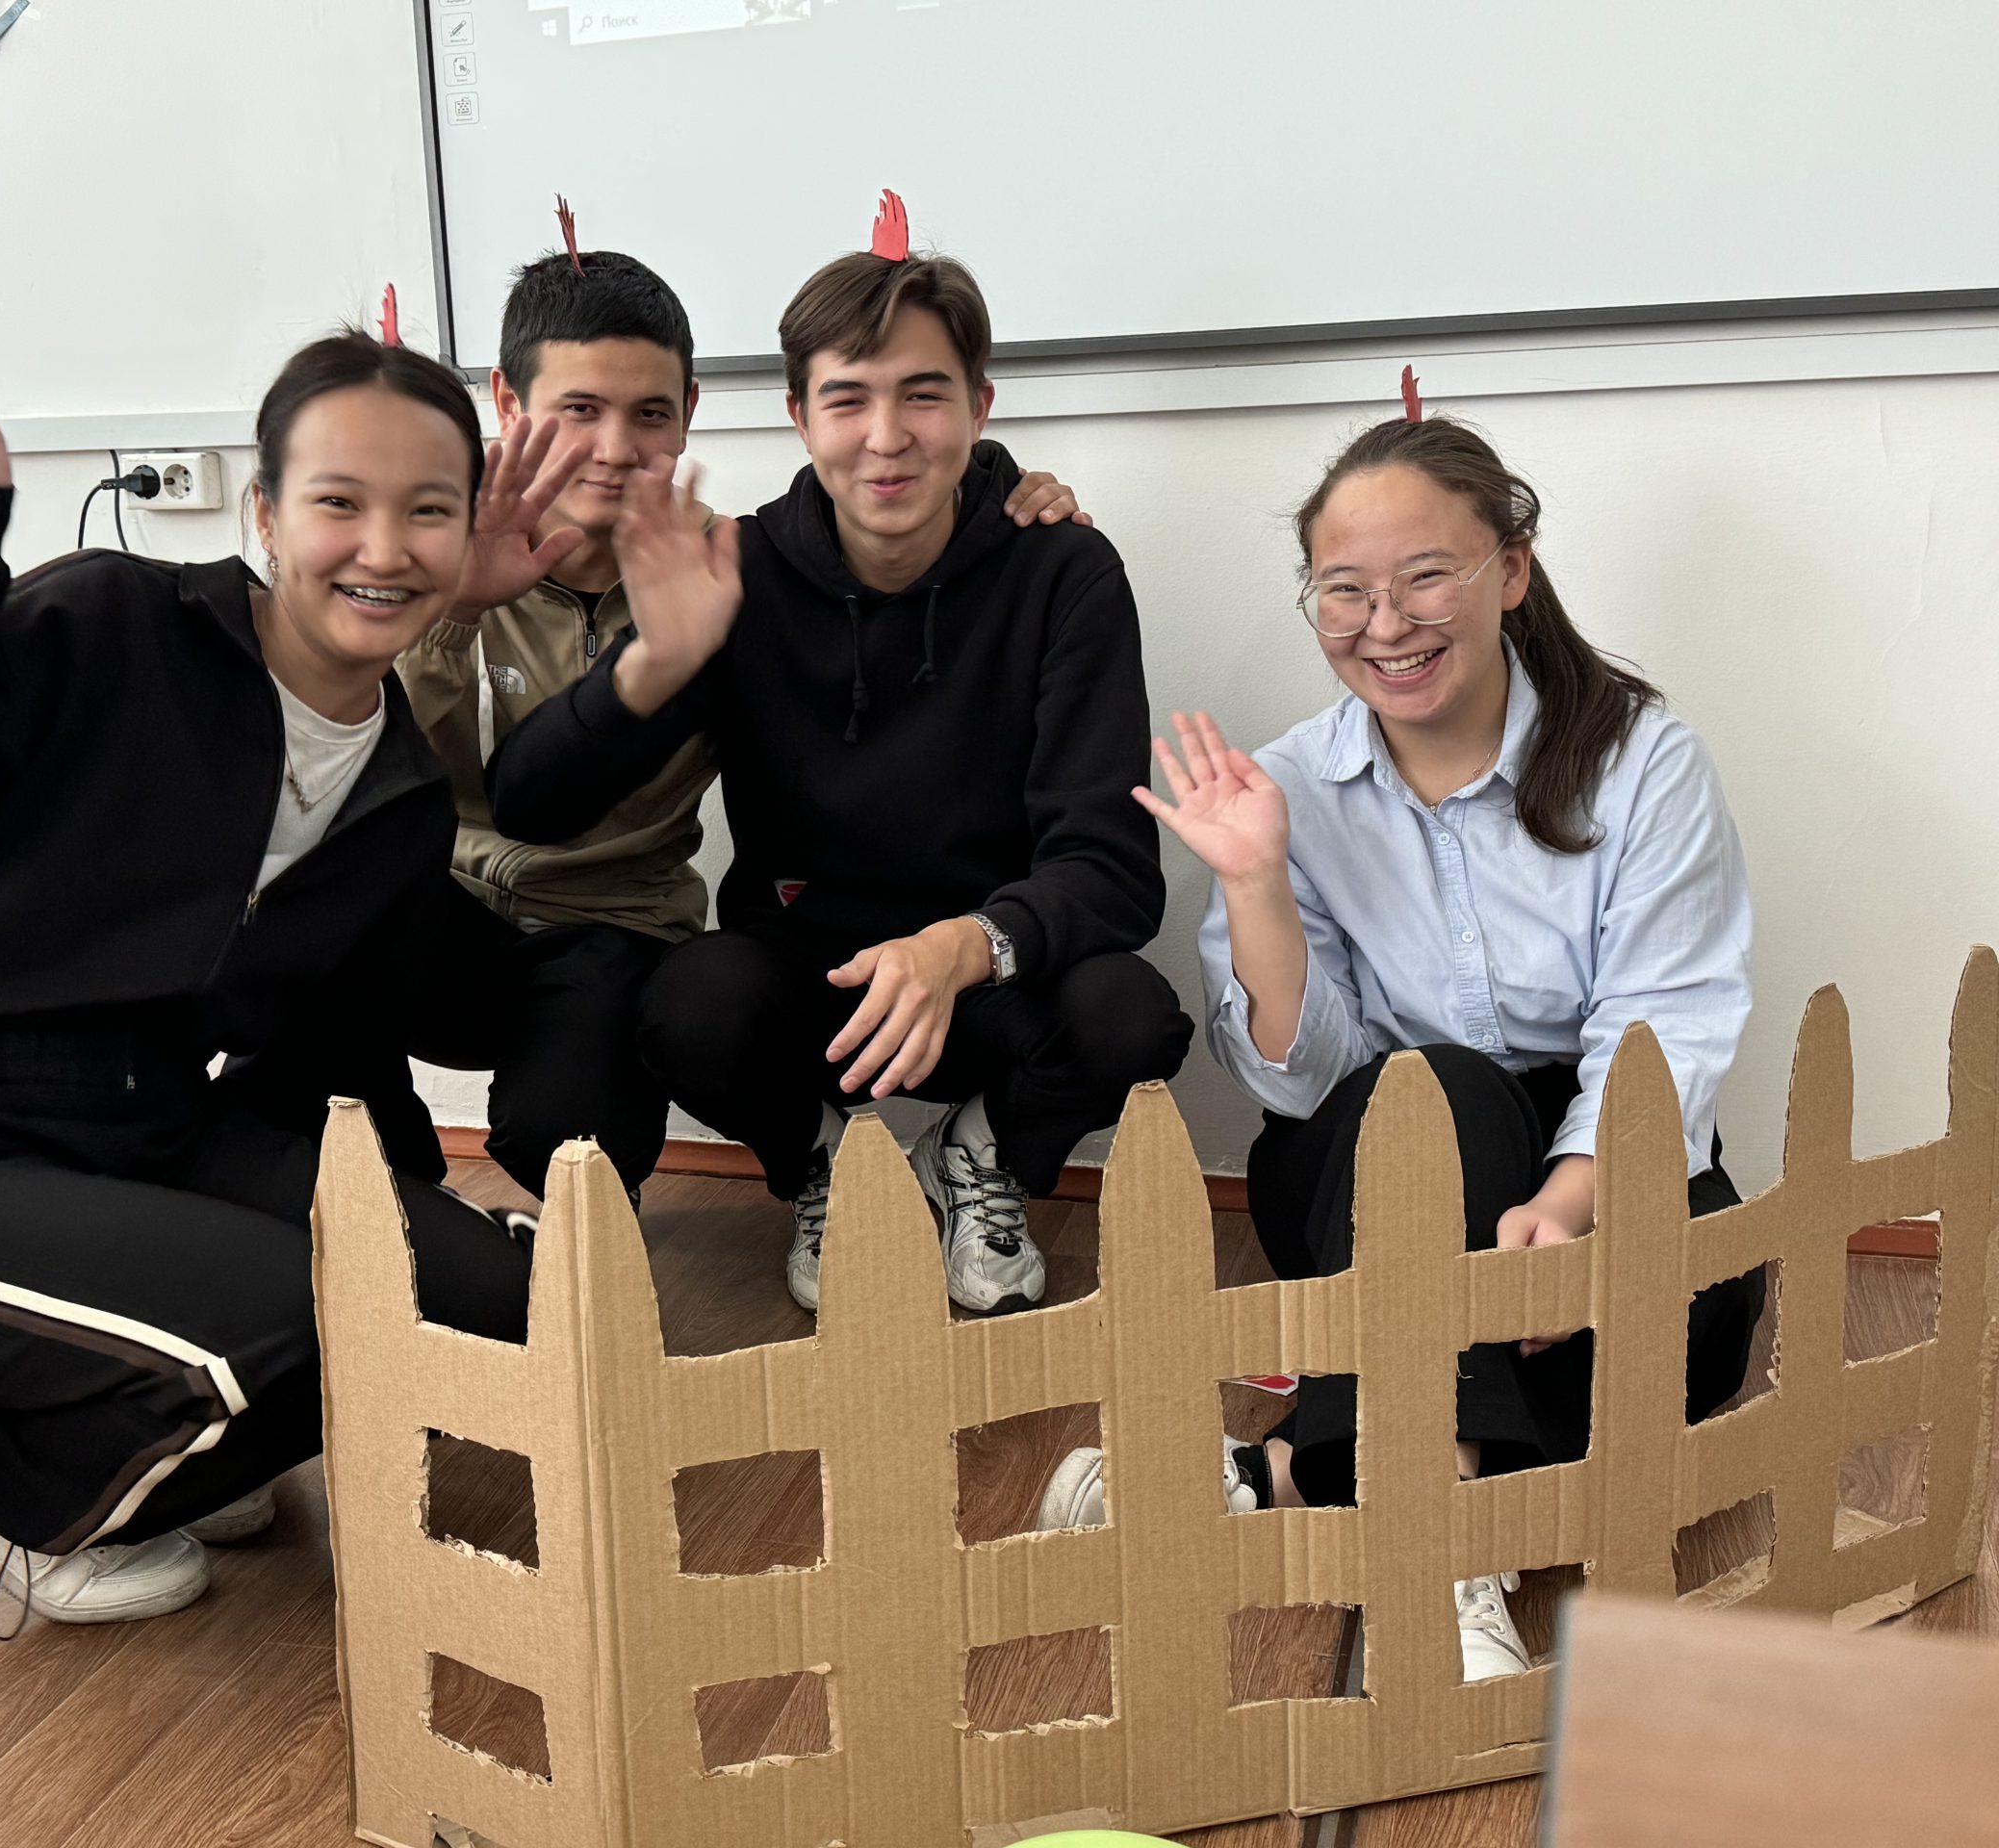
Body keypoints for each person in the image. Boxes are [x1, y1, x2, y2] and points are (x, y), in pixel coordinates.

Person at [0, 292, 583, 1631]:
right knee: (297, 1315)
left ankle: (171, 1419)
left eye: (428, 512)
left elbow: (329, 1045)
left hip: (143, 1127)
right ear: (263, 513)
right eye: (339, 503)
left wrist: (412, 1212)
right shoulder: (113, 621)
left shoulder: (396, 786)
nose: (383, 547)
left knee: (477, 1293)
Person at [1038, 412, 1761, 1683]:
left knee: (1692, 1335)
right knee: (1440, 1092)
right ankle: (1436, 1565)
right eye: (1345, 591)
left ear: (1510, 570)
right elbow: (1302, 1081)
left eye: (1428, 576)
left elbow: (1668, 1021)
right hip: (1368, 1170)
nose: (1387, 625)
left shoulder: (1642, 763)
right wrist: (1255, 884)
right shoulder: (1288, 786)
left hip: (1592, 1164)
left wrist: (1569, 1207)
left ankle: (1269, 1475)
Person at [487, 238, 1190, 1319]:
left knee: (1130, 1017)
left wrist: (965, 945)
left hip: (990, 977)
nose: (886, 436)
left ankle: (976, 1157)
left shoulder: (1065, 571)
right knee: (688, 1004)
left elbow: (1112, 867)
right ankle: (822, 1165)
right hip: (811, 988)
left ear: (979, 405)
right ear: (798, 416)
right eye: (847, 398)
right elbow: (533, 803)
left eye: (924, 395)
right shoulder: (737, 570)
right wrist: (656, 660)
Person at [392, 241, 1086, 1204]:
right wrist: (451, 613)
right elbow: (374, 785)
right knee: (316, 933)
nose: (613, 448)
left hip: (616, 924)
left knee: (572, 1138)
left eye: (650, 414)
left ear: (689, 414)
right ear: (507, 404)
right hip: (441, 900)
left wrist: (990, 492)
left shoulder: (726, 569)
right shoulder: (422, 536)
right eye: (578, 409)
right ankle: (361, 1193)